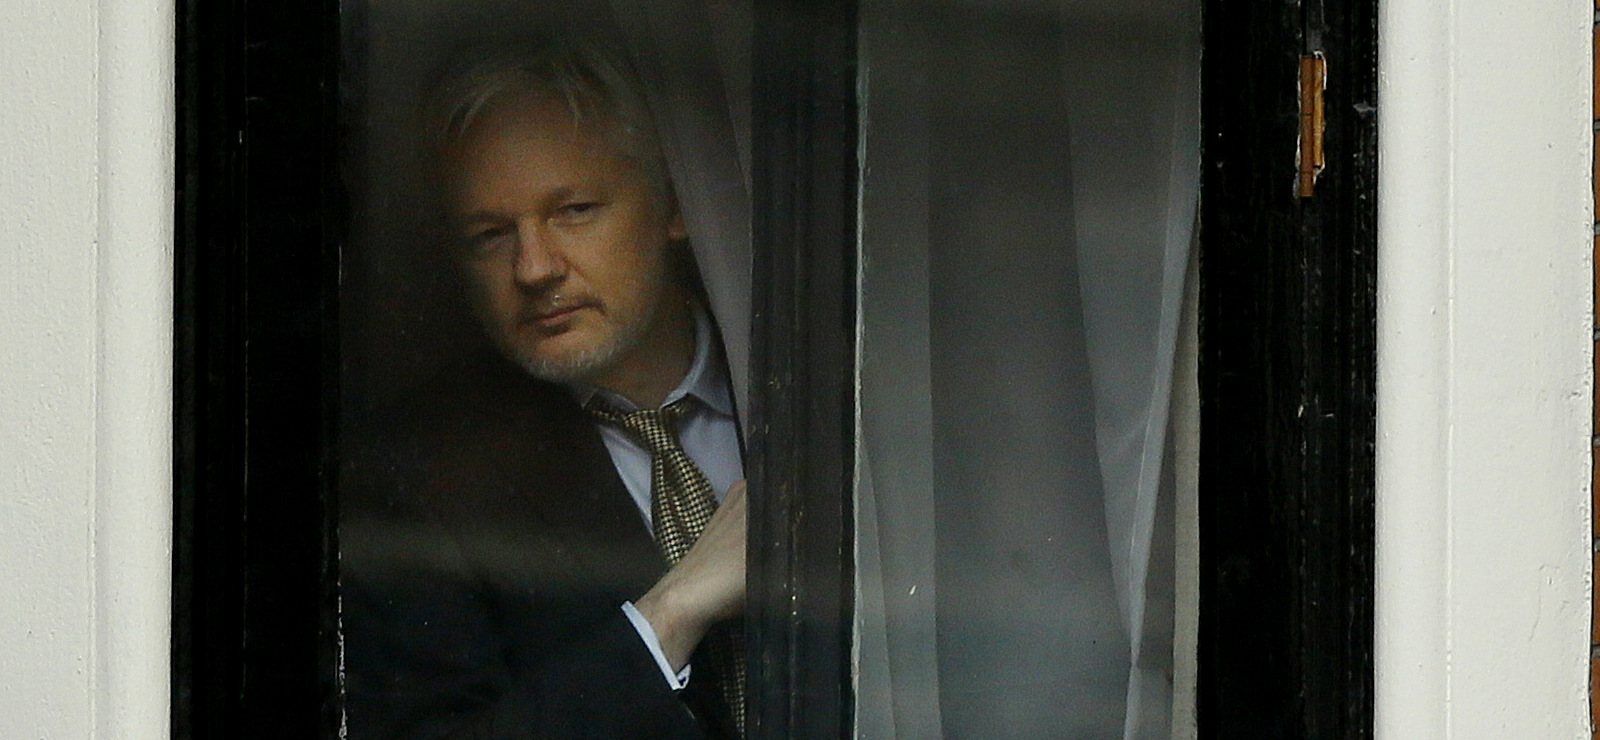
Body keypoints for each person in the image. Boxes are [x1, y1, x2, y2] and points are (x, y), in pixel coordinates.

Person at [340, 38, 747, 740]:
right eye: (491, 235)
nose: (533, 268)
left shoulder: (814, 382)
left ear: (675, 206)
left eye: (575, 210)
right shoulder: (414, 476)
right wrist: (668, 618)